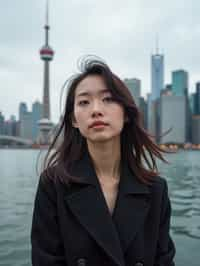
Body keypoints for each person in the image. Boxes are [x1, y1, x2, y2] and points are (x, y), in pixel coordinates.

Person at [31, 57, 176, 266]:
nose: (96, 109)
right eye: (84, 102)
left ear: (125, 113)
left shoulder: (156, 189)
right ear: (74, 120)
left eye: (107, 99)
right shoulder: (53, 185)